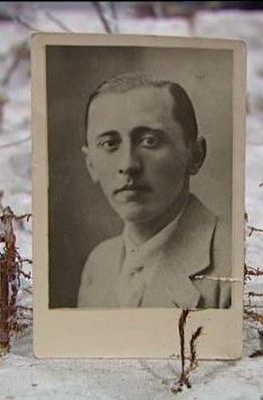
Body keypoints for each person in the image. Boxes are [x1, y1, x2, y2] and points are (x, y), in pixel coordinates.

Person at [77, 72, 231, 309]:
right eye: (110, 144)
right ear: (91, 165)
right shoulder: (99, 264)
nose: (128, 164)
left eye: (149, 141)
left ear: (196, 155)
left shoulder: (232, 261)